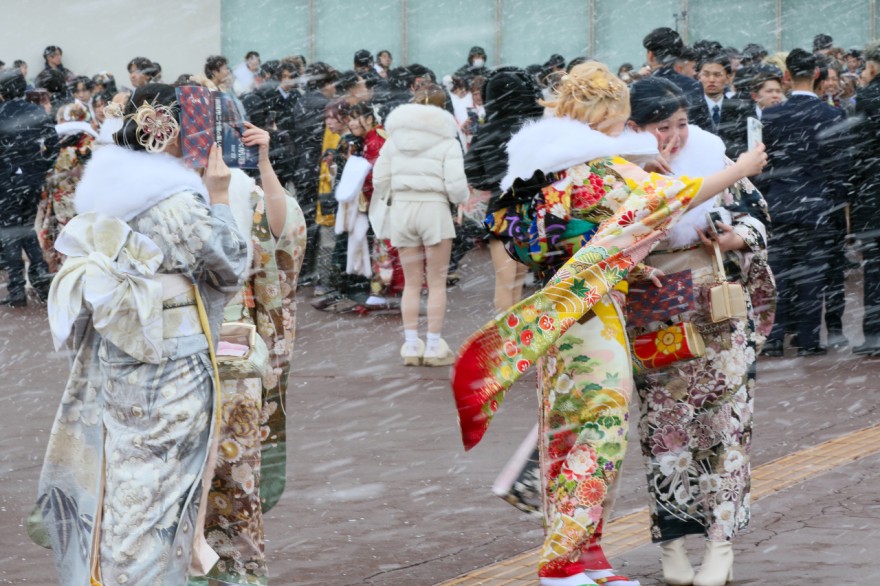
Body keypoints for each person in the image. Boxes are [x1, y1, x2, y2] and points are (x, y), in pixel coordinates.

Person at [465, 61, 766, 586]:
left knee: (570, 432)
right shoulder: (596, 168)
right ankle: (563, 561)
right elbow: (670, 201)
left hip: (572, 303)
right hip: (596, 313)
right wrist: (742, 166)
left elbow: (575, 241)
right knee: (603, 432)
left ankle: (587, 556)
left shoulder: (544, 163)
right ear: (611, 114)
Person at [34, 83, 248, 584]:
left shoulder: (105, 188)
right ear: (166, 133)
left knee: (126, 485)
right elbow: (230, 263)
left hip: (121, 343)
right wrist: (218, 198)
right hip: (169, 349)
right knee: (158, 495)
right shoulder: (173, 200)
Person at [626, 76, 774, 586]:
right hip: (652, 306)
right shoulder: (619, 171)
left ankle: (721, 542)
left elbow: (758, 214)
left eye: (682, 124)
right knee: (664, 429)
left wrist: (736, 237)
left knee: (726, 423)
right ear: (633, 128)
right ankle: (671, 543)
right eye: (661, 127)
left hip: (717, 301)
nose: (675, 136)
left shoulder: (713, 153)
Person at [190, 120, 306, 585]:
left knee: (232, 471)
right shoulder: (166, 197)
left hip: (225, 339)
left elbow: (280, 236)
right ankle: (215, 567)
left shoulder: (242, 191)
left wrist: (264, 162)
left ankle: (232, 569)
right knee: (199, 470)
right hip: (196, 338)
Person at [756, 48, 851, 357]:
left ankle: (773, 338)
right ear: (818, 76)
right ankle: (808, 340)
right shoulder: (832, 115)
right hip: (817, 205)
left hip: (779, 203)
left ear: (786, 77)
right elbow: (839, 168)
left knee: (779, 274)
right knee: (813, 275)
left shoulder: (770, 115)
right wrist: (837, 206)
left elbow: (761, 166)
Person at [372, 84, 469, 365]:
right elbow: (456, 185)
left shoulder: (394, 141)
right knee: (437, 283)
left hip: (402, 210)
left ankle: (411, 346)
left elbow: (379, 180)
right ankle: (434, 346)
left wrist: (395, 196)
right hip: (435, 209)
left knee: (412, 284)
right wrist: (457, 200)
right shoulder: (448, 141)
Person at [468, 67, 544, 313]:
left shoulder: (486, 132)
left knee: (504, 282)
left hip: (501, 210)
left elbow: (473, 174)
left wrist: (495, 179)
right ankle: (523, 341)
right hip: (533, 209)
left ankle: (506, 343)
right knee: (520, 283)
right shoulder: (535, 129)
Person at [0, 69, 58, 306]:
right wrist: (42, 166)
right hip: (32, 181)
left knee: (10, 233)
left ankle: (17, 289)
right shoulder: (36, 111)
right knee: (24, 228)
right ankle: (41, 280)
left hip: (6, 181)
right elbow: (53, 143)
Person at [35, 102, 96, 272]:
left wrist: (57, 175)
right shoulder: (89, 139)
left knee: (66, 235)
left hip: (65, 194)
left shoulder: (57, 140)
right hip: (79, 194)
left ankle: (71, 268)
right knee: (77, 234)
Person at [851, 41, 880, 355]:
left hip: (874, 191)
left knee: (874, 268)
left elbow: (859, 151)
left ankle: (874, 335)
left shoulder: (868, 97)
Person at [643, 27, 712, 130]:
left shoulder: (640, 88)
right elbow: (705, 127)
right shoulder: (693, 85)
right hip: (686, 143)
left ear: (650, 55)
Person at [697, 52, 752, 158]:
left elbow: (749, 145)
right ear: (699, 76)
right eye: (706, 74)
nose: (711, 80)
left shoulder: (741, 109)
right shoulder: (689, 110)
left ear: (728, 78)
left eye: (717, 75)